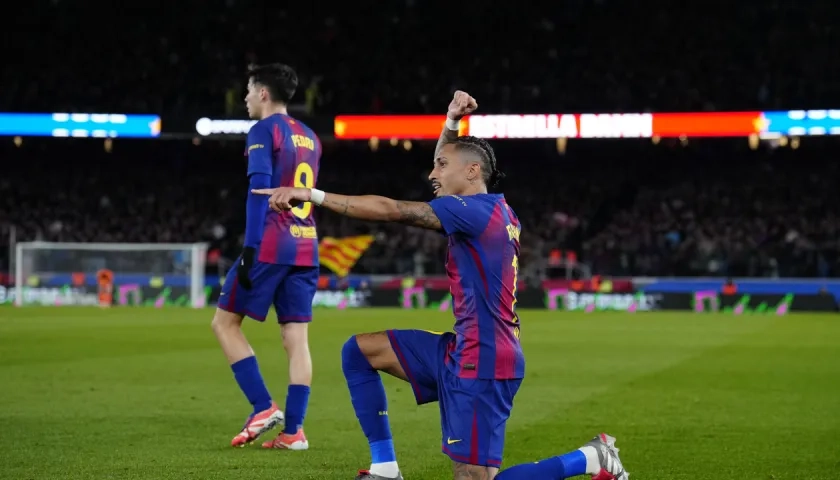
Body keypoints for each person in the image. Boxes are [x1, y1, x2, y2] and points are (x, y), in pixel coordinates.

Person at [253, 91, 628, 480]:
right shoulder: (491, 208)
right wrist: (450, 122)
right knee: (360, 351)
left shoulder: (476, 212)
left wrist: (311, 195)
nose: (432, 174)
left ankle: (590, 458)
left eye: (442, 165)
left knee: (473, 477)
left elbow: (394, 211)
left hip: (484, 361)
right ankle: (385, 469)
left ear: (472, 172)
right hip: (460, 349)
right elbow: (445, 165)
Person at [212, 63, 321, 450]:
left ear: (262, 93)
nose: (243, 97)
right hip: (307, 244)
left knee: (224, 323)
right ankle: (294, 432)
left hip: (272, 245)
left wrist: (249, 251)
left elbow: (260, 193)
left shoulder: (263, 131)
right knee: (296, 338)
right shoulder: (310, 136)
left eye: (247, 90)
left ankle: (262, 406)